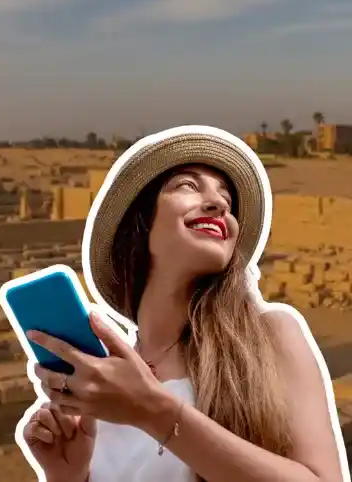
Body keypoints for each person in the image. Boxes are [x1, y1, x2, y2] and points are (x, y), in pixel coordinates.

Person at [18, 126, 348, 482]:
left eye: (226, 198)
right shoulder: (102, 392)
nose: (220, 204)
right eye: (188, 186)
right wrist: (68, 476)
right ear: (141, 224)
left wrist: (154, 410)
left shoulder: (270, 335)